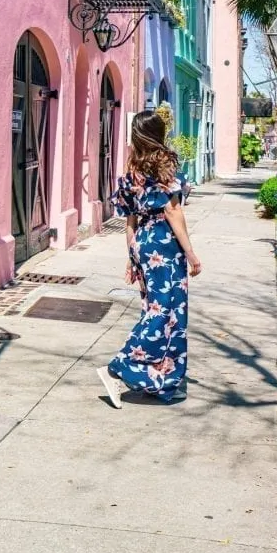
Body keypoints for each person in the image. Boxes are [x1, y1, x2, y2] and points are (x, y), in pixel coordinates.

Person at [96, 110, 202, 409]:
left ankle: (161, 379)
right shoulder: (165, 163)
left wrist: (131, 258)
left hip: (142, 243)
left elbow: (130, 222)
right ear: (159, 132)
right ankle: (121, 365)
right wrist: (190, 251)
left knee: (156, 309)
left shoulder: (131, 172)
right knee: (165, 311)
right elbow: (172, 211)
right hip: (164, 244)